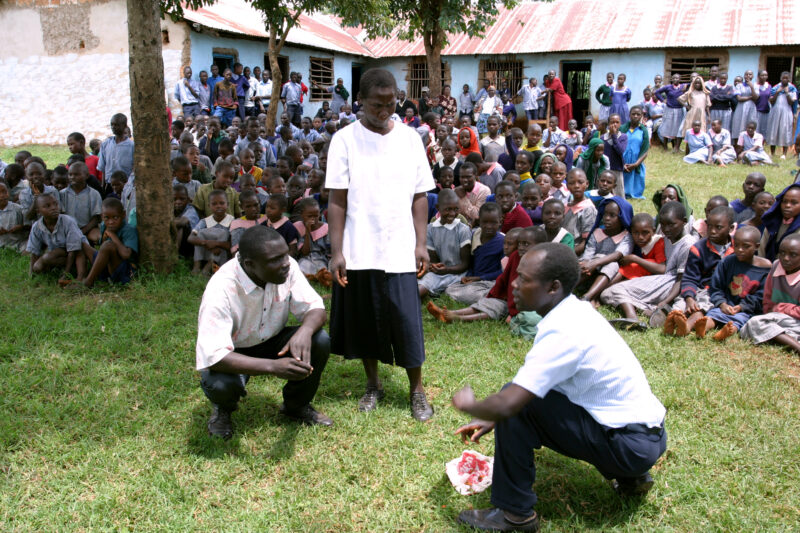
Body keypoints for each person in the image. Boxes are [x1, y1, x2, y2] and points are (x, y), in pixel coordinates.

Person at [452, 242, 667, 533]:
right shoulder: (576, 311)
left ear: (553, 286)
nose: (513, 284)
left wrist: (471, 405)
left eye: (524, 279)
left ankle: (516, 516)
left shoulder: (563, 330)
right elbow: (543, 384)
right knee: (521, 397)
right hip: (647, 437)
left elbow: (511, 402)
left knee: (516, 406)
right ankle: (633, 478)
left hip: (629, 446)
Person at [326, 68, 435, 421]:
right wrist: (337, 251)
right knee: (367, 319)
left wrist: (421, 243)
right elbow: (337, 201)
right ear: (360, 101)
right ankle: (373, 383)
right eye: (377, 104)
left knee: (406, 321)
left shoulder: (410, 139)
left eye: (391, 103)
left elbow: (420, 196)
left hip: (400, 245)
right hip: (359, 246)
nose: (386, 110)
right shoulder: (344, 140)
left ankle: (417, 390)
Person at [196, 225, 332, 439]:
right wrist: (272, 367)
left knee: (319, 340)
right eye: (275, 260)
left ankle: (295, 406)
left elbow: (316, 308)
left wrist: (304, 331)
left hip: (273, 340)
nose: (286, 263)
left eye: (285, 255)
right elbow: (214, 356)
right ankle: (223, 410)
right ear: (250, 264)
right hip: (234, 351)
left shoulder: (288, 267)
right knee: (221, 384)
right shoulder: (221, 288)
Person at [601, 201, 695, 329]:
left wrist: (664, 302)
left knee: (614, 291)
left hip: (673, 283)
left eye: (671, 225)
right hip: (662, 280)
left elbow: (681, 279)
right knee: (607, 293)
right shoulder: (667, 236)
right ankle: (646, 312)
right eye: (663, 225)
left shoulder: (687, 244)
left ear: (684, 221)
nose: (666, 229)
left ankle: (635, 316)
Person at [695, 226, 772, 341]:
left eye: (746, 246)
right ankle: (703, 328)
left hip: (747, 310)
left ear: (757, 247)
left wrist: (742, 307)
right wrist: (722, 304)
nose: (740, 249)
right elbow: (716, 286)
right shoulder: (727, 262)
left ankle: (727, 332)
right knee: (713, 314)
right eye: (736, 245)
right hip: (725, 305)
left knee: (740, 320)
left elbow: (762, 295)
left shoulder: (765, 268)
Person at [740, 234, 800, 354]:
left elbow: (777, 307)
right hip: (778, 319)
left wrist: (782, 307)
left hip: (795, 321)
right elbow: (767, 300)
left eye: (793, 255)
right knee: (748, 328)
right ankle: (789, 340)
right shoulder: (776, 266)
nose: (786, 258)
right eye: (782, 253)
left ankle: (791, 344)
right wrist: (773, 312)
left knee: (755, 324)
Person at [443, 202, 505, 305]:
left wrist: (480, 278)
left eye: (493, 223)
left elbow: (503, 271)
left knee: (473, 292)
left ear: (500, 222)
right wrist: (469, 276)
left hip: (490, 281)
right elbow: (471, 261)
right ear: (479, 221)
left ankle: (492, 295)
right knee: (449, 289)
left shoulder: (503, 242)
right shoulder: (474, 235)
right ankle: (490, 297)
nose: (489, 226)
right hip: (475, 281)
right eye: (485, 222)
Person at [73, 198, 138, 289]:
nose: (110, 222)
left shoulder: (129, 230)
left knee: (108, 245)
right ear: (101, 217)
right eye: (106, 218)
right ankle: (81, 276)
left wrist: (113, 236)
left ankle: (88, 282)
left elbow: (126, 254)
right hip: (107, 267)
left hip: (124, 272)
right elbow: (102, 248)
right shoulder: (104, 225)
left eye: (115, 217)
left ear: (123, 215)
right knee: (81, 244)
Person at [417, 189, 471, 299]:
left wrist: (446, 270)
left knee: (424, 285)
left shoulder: (463, 230)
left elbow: (465, 264)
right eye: (448, 209)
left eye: (456, 209)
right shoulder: (430, 229)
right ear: (438, 208)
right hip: (440, 272)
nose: (452, 214)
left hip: (457, 273)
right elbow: (434, 260)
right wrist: (434, 266)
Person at [580, 197, 634, 305]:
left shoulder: (626, 236)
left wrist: (595, 262)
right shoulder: (597, 232)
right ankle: (569, 289)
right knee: (583, 262)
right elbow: (589, 253)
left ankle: (588, 296)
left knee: (613, 264)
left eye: (612, 215)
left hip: (608, 277)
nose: (607, 218)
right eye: (605, 214)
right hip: (590, 271)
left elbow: (617, 255)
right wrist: (587, 262)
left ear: (622, 218)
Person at [27, 194, 86, 283]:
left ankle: (74, 272)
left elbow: (73, 251)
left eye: (55, 204)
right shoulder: (37, 227)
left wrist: (65, 274)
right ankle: (60, 268)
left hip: (77, 251)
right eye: (47, 206)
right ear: (38, 211)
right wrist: (31, 275)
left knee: (47, 258)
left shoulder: (68, 221)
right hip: (58, 253)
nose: (54, 208)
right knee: (37, 267)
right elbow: (34, 253)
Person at [59, 162, 102, 244]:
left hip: (87, 228)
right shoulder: (62, 193)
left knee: (98, 237)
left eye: (76, 174)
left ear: (86, 175)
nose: (72, 177)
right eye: (70, 175)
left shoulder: (93, 194)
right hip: (67, 229)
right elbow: (61, 215)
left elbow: (96, 218)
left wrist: (83, 230)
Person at [759, 184, 800, 261]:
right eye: (784, 201)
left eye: (794, 203)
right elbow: (761, 251)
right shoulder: (773, 223)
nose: (787, 205)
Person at [562, 169, 596, 256]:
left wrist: (567, 254)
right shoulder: (566, 206)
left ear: (587, 184)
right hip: (562, 248)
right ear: (567, 186)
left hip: (576, 253)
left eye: (580, 182)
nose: (576, 186)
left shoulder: (588, 209)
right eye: (572, 183)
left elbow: (586, 242)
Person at [293, 197, 330, 277]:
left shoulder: (326, 228)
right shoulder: (297, 227)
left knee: (321, 269)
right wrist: (307, 231)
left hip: (321, 259)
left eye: (316, 216)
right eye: (309, 216)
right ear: (301, 214)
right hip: (305, 258)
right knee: (302, 267)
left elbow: (328, 252)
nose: (313, 219)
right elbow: (305, 252)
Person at [765, 71, 798, 159]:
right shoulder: (775, 88)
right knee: (774, 130)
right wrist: (777, 92)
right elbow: (771, 101)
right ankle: (772, 153)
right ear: (780, 78)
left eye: (787, 78)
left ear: (789, 79)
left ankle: (784, 153)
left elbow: (791, 102)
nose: (785, 79)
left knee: (785, 130)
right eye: (783, 78)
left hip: (786, 112)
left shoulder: (792, 88)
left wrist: (787, 93)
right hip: (776, 112)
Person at [97, 114, 134, 182]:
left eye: (116, 125)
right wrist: (103, 186)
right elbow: (103, 168)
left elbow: (134, 168)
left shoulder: (131, 146)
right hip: (109, 183)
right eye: (112, 125)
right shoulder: (105, 144)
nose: (113, 127)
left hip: (126, 184)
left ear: (125, 126)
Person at [655, 74, 687, 152]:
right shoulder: (668, 87)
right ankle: (665, 147)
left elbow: (692, 84)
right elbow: (657, 92)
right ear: (672, 79)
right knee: (666, 127)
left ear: (680, 79)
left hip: (679, 110)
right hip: (669, 109)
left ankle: (676, 147)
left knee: (677, 128)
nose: (675, 79)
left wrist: (686, 86)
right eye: (674, 78)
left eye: (677, 78)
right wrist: (663, 100)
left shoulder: (683, 86)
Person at [730, 70, 758, 145]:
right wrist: (750, 97)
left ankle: (748, 145)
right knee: (738, 126)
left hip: (751, 108)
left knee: (749, 125)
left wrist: (751, 87)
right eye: (746, 74)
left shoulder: (755, 86)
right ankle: (737, 146)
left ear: (753, 76)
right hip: (740, 108)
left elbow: (755, 98)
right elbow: (739, 98)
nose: (748, 76)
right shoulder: (739, 85)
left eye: (750, 74)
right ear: (744, 76)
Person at [0, 181, 28, 252]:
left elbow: (28, 225)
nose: (2, 195)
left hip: (17, 242)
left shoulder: (18, 209)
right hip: (1, 242)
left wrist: (21, 227)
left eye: (4, 192)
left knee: (28, 248)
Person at [754, 70, 772, 135]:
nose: (764, 77)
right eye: (762, 75)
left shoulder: (769, 86)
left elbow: (770, 98)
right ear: (758, 76)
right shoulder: (755, 86)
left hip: (766, 111)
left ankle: (762, 144)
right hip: (756, 111)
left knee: (764, 131)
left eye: (765, 75)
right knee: (756, 130)